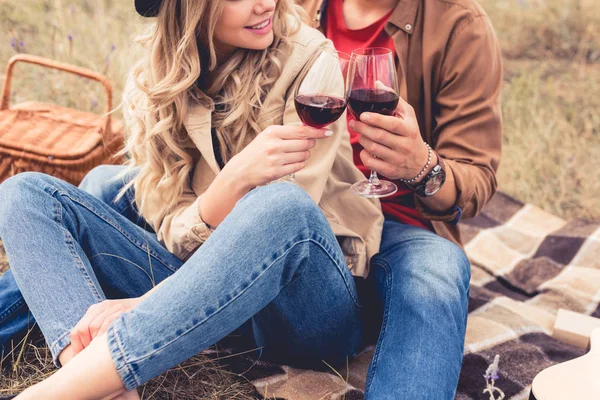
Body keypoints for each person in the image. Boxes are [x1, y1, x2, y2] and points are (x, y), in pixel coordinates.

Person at [0, 0, 385, 398]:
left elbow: (287, 228)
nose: (265, 3)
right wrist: (231, 181)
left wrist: (147, 302)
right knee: (24, 193)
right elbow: (168, 227)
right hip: (203, 308)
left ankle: (57, 392)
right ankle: (105, 389)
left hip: (304, 312)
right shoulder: (155, 79)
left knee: (280, 205)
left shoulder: (310, 60)